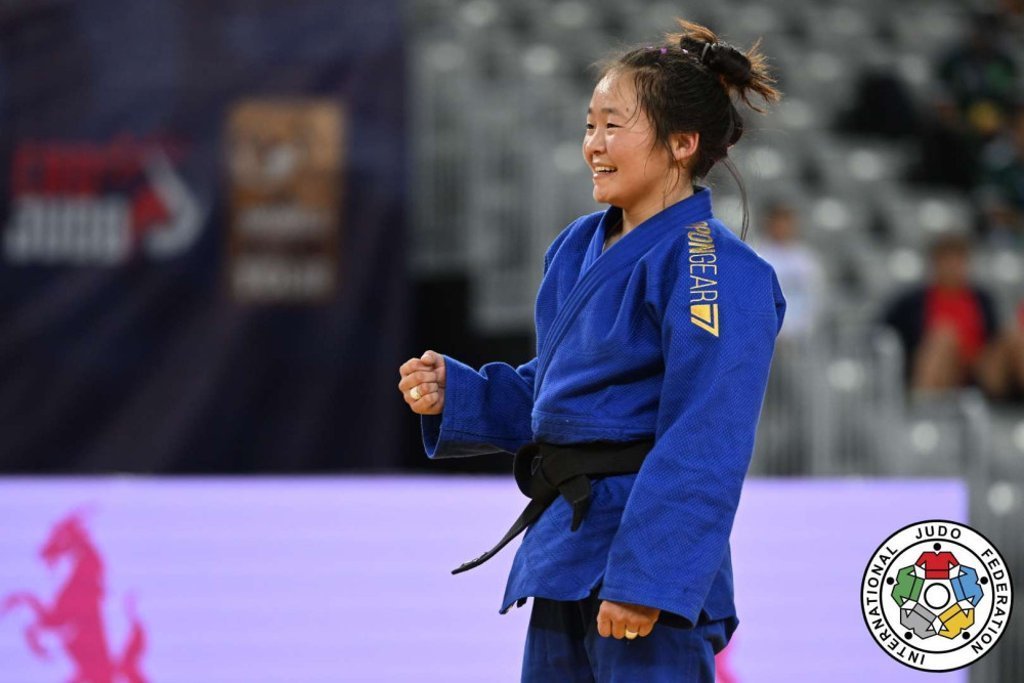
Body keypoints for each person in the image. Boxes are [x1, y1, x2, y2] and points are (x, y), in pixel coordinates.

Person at [398, 19, 784, 682]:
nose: (594, 145)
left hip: (643, 563)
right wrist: (461, 394)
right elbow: (563, 399)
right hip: (568, 550)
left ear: (682, 143)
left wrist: (648, 578)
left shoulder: (712, 268)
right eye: (589, 126)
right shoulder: (577, 245)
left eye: (614, 126)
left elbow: (705, 437)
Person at [879, 234, 1007, 397]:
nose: (953, 268)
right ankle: (924, 400)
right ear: (935, 264)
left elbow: (995, 339)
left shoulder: (982, 299)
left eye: (958, 261)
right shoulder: (911, 303)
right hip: (942, 368)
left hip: (980, 369)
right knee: (943, 338)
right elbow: (883, 333)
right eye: (947, 261)